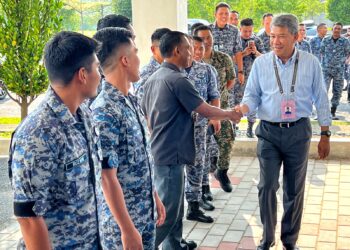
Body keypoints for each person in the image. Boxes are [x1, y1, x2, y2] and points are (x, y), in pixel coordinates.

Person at [237, 14, 331, 250]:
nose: (275, 42)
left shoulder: (310, 63)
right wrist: (243, 108)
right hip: (268, 132)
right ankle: (267, 238)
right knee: (266, 186)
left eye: (281, 36)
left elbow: (321, 98)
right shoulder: (261, 63)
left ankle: (290, 241)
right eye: (272, 36)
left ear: (296, 36)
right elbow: (252, 95)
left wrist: (325, 134)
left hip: (298, 133)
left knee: (294, 189)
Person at [141, 31, 242, 250]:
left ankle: (174, 246)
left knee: (175, 209)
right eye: (188, 48)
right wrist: (230, 114)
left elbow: (147, 115)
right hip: (171, 154)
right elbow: (204, 109)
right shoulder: (177, 79)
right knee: (167, 212)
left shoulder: (154, 78)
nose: (193, 52)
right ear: (177, 50)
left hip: (161, 151)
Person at [8, 31, 106, 249]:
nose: (101, 75)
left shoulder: (83, 115)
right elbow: (29, 218)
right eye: (97, 68)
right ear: (82, 74)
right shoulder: (38, 133)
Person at [91, 27, 166, 250]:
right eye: (135, 52)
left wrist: (154, 197)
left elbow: (140, 159)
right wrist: (126, 229)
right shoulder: (105, 111)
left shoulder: (129, 101)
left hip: (144, 215)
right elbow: (107, 177)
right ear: (125, 60)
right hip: (122, 228)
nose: (138, 58)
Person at [194, 25, 236, 193]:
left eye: (209, 38)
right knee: (202, 150)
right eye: (202, 38)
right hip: (200, 113)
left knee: (227, 142)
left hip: (221, 109)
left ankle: (222, 171)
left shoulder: (223, 58)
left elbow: (231, 81)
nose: (206, 42)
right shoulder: (191, 62)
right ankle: (203, 187)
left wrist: (217, 97)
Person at [184, 36, 220, 223]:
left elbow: (214, 95)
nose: (196, 52)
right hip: (177, 129)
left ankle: (194, 205)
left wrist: (215, 117)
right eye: (193, 47)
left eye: (200, 48)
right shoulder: (175, 70)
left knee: (198, 165)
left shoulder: (206, 70)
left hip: (199, 127)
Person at [234, 18, 265, 138]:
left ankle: (250, 127)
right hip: (237, 76)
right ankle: (233, 126)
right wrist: (243, 53)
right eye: (245, 31)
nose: (247, 34)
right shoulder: (236, 40)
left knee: (252, 102)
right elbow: (229, 58)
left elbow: (265, 57)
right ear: (240, 29)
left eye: (250, 31)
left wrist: (255, 52)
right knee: (236, 101)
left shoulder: (257, 40)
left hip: (253, 77)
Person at [320, 22, 350, 119]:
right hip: (326, 70)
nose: (337, 30)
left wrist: (343, 61)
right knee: (323, 90)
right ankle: (323, 112)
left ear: (341, 30)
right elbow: (322, 52)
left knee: (337, 91)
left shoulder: (345, 41)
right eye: (335, 28)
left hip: (339, 70)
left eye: (339, 29)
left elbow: (347, 53)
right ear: (332, 29)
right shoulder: (326, 40)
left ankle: (333, 112)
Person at [209, 2, 244, 84]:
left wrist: (240, 71)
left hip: (229, 72)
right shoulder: (208, 30)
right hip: (212, 71)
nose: (224, 16)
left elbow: (238, 51)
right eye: (221, 13)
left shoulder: (234, 30)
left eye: (226, 14)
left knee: (229, 95)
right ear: (215, 14)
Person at [134, 28, 171, 98]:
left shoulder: (177, 69)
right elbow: (141, 102)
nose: (170, 51)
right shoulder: (145, 74)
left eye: (172, 47)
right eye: (165, 47)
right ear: (153, 49)